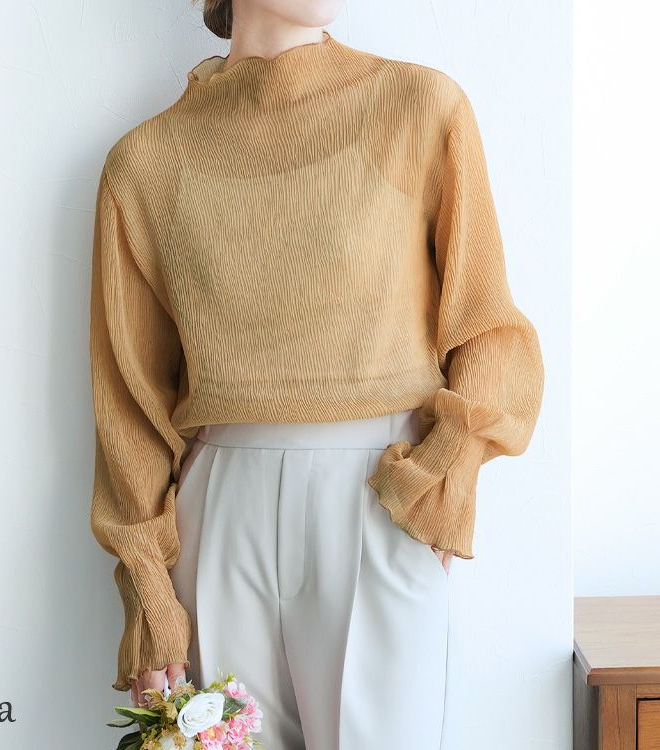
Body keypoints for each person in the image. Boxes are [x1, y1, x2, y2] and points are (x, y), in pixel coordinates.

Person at [87, 1, 545, 747]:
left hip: (380, 493)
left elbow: (486, 327)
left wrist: (443, 476)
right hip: (217, 507)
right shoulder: (145, 162)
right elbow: (128, 406)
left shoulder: (418, 106)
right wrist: (149, 593)